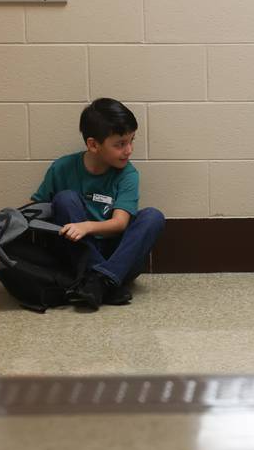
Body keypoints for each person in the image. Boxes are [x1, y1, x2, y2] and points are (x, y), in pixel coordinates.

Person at [31, 98, 165, 310]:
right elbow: (37, 208)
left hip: (119, 257)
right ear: (93, 145)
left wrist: (86, 226)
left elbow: (120, 224)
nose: (129, 150)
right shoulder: (63, 167)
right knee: (65, 198)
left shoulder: (127, 174)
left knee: (153, 216)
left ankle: (99, 280)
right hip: (76, 254)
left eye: (132, 141)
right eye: (120, 144)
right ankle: (106, 283)